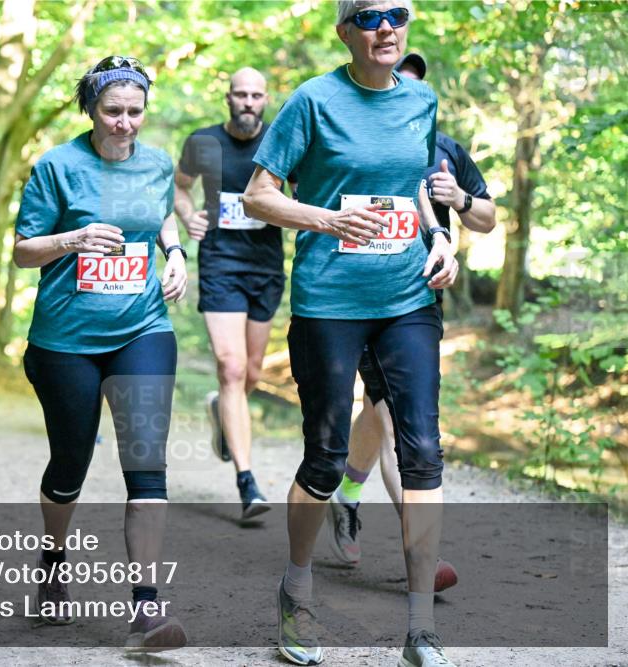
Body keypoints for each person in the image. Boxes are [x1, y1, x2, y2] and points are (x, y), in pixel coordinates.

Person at [243, 2, 461, 665]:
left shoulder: (421, 101)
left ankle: (420, 627)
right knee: (326, 454)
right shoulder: (313, 100)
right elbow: (258, 194)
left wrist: (442, 237)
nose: (385, 27)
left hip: (406, 297)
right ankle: (298, 587)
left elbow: (417, 188)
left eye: (397, 13)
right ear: (345, 31)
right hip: (330, 299)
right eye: (368, 16)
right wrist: (326, 220)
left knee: (422, 446)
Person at [13, 55, 188, 652]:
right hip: (65, 340)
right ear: (90, 110)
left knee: (147, 463)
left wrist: (175, 253)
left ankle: (145, 605)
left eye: (135, 111)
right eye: (112, 111)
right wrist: (73, 238)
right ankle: (55, 558)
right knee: (70, 465)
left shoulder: (159, 163)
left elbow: (161, 214)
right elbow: (22, 251)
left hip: (143, 328)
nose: (125, 123)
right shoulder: (58, 165)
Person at [325, 51, 497, 594]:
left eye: (415, 88)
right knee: (399, 421)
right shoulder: (351, 143)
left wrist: (462, 198)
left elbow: (488, 218)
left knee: (380, 414)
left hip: (420, 306)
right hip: (361, 299)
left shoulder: (447, 151)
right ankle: (422, 554)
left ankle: (347, 495)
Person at [174, 67, 285, 520]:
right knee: (231, 365)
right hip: (220, 263)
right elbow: (180, 188)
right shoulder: (203, 141)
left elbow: (304, 194)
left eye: (256, 95)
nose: (248, 102)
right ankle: (247, 481)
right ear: (228, 97)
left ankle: (223, 409)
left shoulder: (281, 142)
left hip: (265, 266)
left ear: (265, 99)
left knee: (251, 373)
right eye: (240, 94)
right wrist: (188, 216)